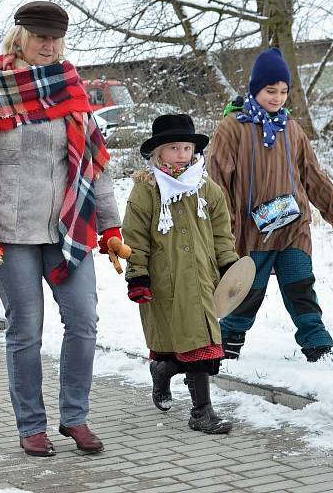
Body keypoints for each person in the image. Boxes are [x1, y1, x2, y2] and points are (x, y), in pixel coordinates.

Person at [0, 1, 121, 457]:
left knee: (84, 321)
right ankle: (31, 426)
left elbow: (94, 163)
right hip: (9, 233)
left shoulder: (71, 87)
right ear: (21, 37)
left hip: (68, 226)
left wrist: (110, 226)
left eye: (54, 39)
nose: (48, 46)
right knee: (27, 328)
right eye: (40, 37)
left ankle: (75, 417)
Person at [207, 48, 333, 363]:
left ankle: (317, 345)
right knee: (249, 289)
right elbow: (217, 182)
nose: (277, 98)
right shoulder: (232, 127)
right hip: (252, 229)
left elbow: (312, 175)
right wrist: (225, 226)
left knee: (300, 283)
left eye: (283, 91)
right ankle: (228, 340)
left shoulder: (292, 128)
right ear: (255, 89)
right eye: (270, 90)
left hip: (293, 225)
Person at [122, 114, 238, 434]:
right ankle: (193, 401)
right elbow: (135, 239)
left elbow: (221, 233)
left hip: (203, 281)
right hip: (165, 285)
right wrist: (138, 276)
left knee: (204, 349)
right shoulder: (146, 191)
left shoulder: (205, 187)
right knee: (189, 345)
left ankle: (184, 393)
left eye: (187, 148)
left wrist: (229, 264)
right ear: (158, 153)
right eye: (174, 148)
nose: (183, 154)